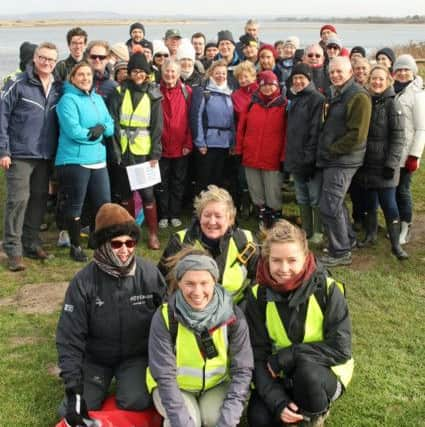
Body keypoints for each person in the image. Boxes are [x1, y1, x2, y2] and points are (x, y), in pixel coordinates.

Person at [56, 203, 166, 426]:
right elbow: (69, 336)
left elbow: (168, 322)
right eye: (116, 243)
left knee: (136, 400)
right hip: (96, 358)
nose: (124, 249)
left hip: (136, 356)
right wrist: (73, 385)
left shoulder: (150, 274)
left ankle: (129, 383)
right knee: (75, 406)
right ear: (103, 244)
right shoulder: (83, 281)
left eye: (130, 242)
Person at [245, 219, 353, 427]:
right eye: (276, 260)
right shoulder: (257, 295)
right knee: (259, 419)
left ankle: (313, 417)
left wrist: (288, 356)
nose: (284, 268)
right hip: (278, 375)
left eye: (292, 260)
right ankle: (289, 408)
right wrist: (278, 403)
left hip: (321, 372)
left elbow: (341, 349)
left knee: (307, 373)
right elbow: (257, 356)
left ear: (306, 257)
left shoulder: (328, 290)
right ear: (266, 259)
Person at [147, 248, 253, 427]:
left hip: (216, 385)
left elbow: (242, 371)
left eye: (204, 283)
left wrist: (227, 422)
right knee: (186, 422)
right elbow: (164, 376)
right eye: (190, 283)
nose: (197, 291)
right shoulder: (164, 317)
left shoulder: (234, 317)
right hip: (176, 388)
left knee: (215, 419)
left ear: (215, 281)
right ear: (179, 283)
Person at [0, 42, 61, 271]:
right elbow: (2, 116)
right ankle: (13, 249)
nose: (47, 63)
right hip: (19, 153)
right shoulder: (17, 83)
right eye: (43, 58)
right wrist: (3, 150)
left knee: (38, 199)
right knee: (17, 201)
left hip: (45, 154)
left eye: (51, 60)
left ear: (56, 62)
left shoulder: (57, 86)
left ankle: (31, 242)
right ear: (34, 58)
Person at [159, 185, 259, 304]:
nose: (212, 222)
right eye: (207, 215)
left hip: (233, 314)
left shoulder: (246, 240)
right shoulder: (180, 241)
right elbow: (161, 282)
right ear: (199, 217)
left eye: (218, 216)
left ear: (230, 219)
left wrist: (244, 306)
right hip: (189, 313)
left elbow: (260, 279)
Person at [55, 62, 114, 262]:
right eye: (80, 74)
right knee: (75, 204)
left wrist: (102, 128)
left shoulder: (97, 98)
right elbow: (74, 131)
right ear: (72, 78)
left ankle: (95, 240)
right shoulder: (67, 100)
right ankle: (75, 245)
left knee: (103, 202)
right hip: (74, 159)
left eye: (88, 74)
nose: (85, 78)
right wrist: (95, 134)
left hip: (98, 159)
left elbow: (110, 126)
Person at [317, 57, 372, 267]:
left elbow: (357, 134)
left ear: (350, 72)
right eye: (332, 72)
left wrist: (332, 150)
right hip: (335, 158)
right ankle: (347, 239)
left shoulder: (358, 96)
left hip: (343, 159)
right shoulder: (337, 93)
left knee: (329, 205)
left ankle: (340, 251)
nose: (335, 75)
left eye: (339, 71)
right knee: (335, 203)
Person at [107, 53, 163, 250]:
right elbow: (112, 123)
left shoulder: (154, 95)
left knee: (148, 195)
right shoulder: (119, 92)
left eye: (142, 71)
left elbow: (157, 127)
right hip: (123, 151)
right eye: (134, 71)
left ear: (147, 74)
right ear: (129, 73)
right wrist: (115, 151)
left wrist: (155, 153)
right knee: (125, 195)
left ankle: (153, 234)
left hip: (143, 152)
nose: (138, 74)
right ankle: (129, 232)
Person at [353, 65, 408, 260]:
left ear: (388, 81)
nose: (376, 82)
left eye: (380, 79)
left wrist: (391, 165)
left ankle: (395, 245)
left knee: (389, 205)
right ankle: (370, 235)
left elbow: (398, 138)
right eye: (373, 79)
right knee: (369, 204)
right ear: (368, 81)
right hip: (366, 164)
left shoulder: (393, 104)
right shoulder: (366, 101)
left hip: (384, 166)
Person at [236, 70, 286, 228]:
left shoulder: (284, 106)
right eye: (264, 85)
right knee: (256, 190)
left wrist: (284, 156)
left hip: (272, 157)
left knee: (272, 191)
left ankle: (275, 218)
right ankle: (262, 217)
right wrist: (239, 149)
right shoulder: (251, 104)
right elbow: (241, 129)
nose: (268, 88)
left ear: (277, 85)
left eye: (271, 85)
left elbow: (287, 133)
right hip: (251, 155)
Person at [285, 63, 325, 244]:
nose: (298, 81)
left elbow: (315, 131)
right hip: (295, 157)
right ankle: (306, 230)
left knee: (315, 196)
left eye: (302, 78)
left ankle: (318, 231)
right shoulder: (296, 99)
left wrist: (309, 160)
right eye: (295, 79)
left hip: (310, 160)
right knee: (301, 196)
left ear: (309, 79)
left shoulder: (317, 99)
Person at [156, 59, 192, 229]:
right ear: (162, 73)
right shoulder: (155, 91)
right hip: (161, 147)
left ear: (178, 74)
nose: (169, 75)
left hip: (181, 146)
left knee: (178, 182)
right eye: (167, 71)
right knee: (162, 183)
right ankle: (164, 215)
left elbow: (192, 119)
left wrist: (188, 143)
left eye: (173, 72)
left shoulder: (187, 92)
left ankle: (175, 214)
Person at [393, 54, 425, 245]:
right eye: (399, 69)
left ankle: (406, 224)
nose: (403, 73)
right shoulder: (393, 89)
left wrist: (414, 155)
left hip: (407, 152)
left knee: (403, 190)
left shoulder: (418, 94)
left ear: (413, 72)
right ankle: (396, 224)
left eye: (406, 70)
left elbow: (421, 128)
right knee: (393, 190)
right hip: (393, 151)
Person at [190, 60, 235, 194]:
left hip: (225, 143)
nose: (220, 76)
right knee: (204, 178)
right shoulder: (204, 91)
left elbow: (232, 119)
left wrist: (232, 142)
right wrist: (200, 142)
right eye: (217, 73)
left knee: (219, 178)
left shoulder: (230, 92)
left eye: (223, 73)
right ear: (211, 73)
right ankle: (199, 208)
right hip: (208, 142)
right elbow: (196, 117)